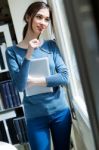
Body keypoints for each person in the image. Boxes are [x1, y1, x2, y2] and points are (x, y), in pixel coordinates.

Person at [6, 1, 72, 150]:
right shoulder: (11, 52)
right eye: (39, 17)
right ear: (29, 17)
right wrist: (29, 52)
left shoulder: (51, 46)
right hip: (35, 117)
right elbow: (20, 86)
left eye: (47, 19)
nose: (43, 22)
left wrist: (36, 81)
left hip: (60, 113)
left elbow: (64, 77)